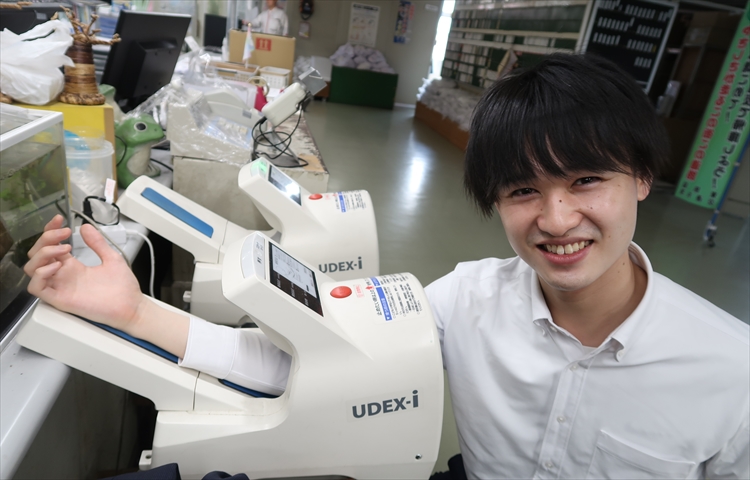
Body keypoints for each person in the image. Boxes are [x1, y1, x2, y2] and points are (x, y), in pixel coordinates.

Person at [25, 54, 749, 478]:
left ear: (642, 178)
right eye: (524, 191)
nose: (557, 221)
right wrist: (132, 311)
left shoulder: (732, 371)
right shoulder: (465, 299)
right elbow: (303, 363)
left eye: (586, 181)